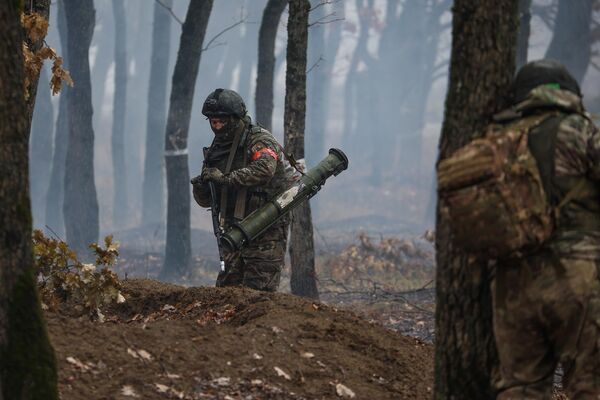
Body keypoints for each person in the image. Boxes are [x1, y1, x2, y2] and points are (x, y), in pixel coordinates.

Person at [491, 60, 600, 399]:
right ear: (568, 93)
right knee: (587, 384)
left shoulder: (497, 138)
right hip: (576, 278)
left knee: (520, 387)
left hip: (511, 282)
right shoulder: (581, 132)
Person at [191, 88, 295, 292]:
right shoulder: (218, 148)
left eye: (222, 121)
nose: (218, 126)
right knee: (227, 292)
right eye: (213, 121)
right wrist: (203, 186)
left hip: (265, 225)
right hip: (233, 229)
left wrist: (226, 179)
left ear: (235, 118)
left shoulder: (258, 139)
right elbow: (207, 200)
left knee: (258, 292)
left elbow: (265, 169)